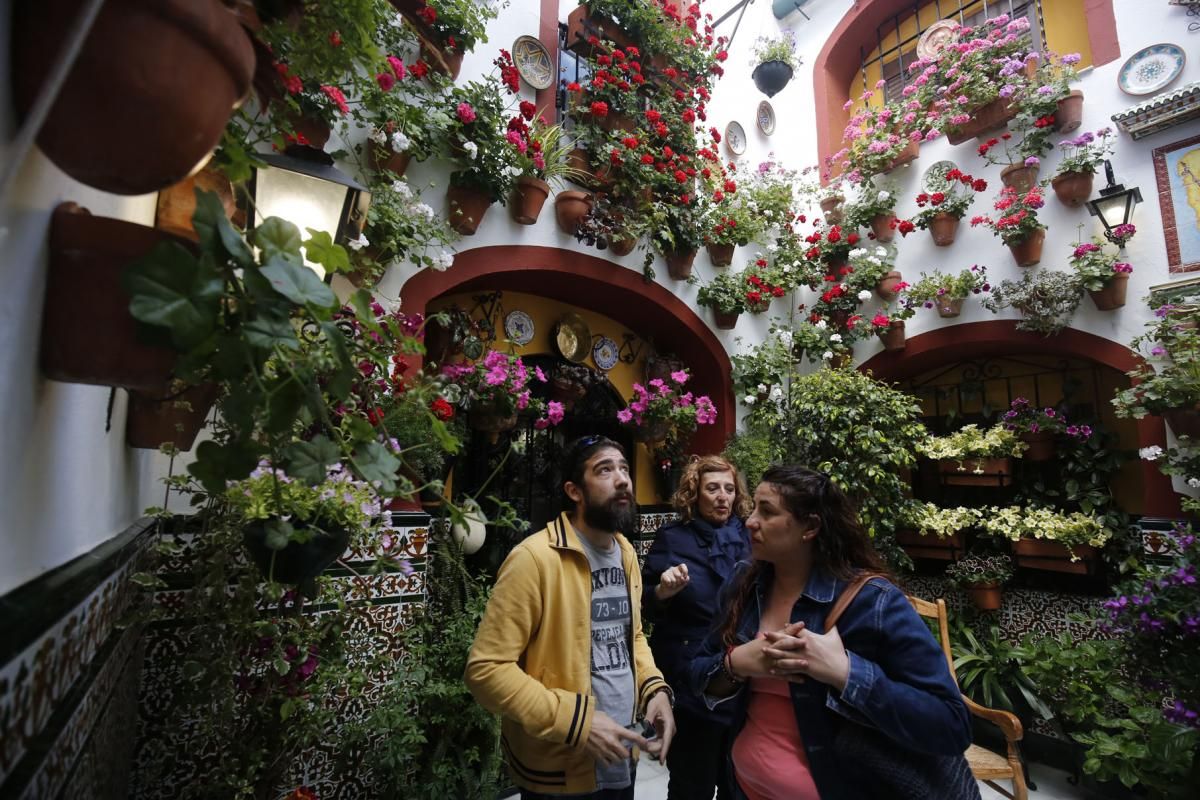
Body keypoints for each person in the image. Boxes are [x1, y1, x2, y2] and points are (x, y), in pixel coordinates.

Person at [689, 465, 977, 800]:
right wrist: (736, 663)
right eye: (753, 507)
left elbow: (951, 724)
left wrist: (846, 673)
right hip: (743, 788)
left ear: (809, 527)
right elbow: (696, 676)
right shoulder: (744, 584)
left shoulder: (873, 603)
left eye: (766, 511)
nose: (750, 521)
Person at [465, 435, 677, 799]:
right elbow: (486, 670)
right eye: (605, 470)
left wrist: (653, 689)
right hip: (559, 770)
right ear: (574, 491)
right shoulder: (533, 559)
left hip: (621, 754)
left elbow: (632, 636)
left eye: (624, 468)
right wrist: (576, 722)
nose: (623, 478)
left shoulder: (625, 552)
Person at [641, 455, 751, 800]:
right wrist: (663, 590)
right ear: (694, 493)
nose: (722, 496)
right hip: (689, 675)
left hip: (741, 672)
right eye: (713, 488)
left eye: (729, 489)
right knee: (692, 783)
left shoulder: (750, 536)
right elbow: (644, 602)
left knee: (739, 780)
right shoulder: (674, 538)